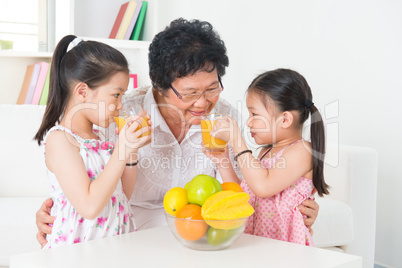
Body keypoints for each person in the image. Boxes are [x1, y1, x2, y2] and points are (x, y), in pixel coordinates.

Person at [35, 19, 320, 247]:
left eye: (211, 88)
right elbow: (81, 169)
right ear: (159, 86)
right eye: (190, 93)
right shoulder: (121, 114)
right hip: (130, 230)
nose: (203, 102)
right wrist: (54, 212)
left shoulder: (224, 118)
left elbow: (245, 190)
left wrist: (294, 208)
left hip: (196, 228)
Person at [33, 35, 152, 248]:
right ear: (82, 92)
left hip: (113, 248)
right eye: (116, 95)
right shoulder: (61, 140)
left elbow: (122, 194)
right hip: (77, 253)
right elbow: (89, 206)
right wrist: (122, 149)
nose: (120, 105)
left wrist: (131, 151)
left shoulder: (100, 138)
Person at [205, 68, 329, 245]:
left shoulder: (303, 151)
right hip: (257, 244)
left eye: (254, 114)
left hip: (285, 249)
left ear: (285, 120)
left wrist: (236, 140)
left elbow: (263, 187)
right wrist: (223, 161)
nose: (248, 122)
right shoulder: (265, 152)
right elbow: (245, 193)